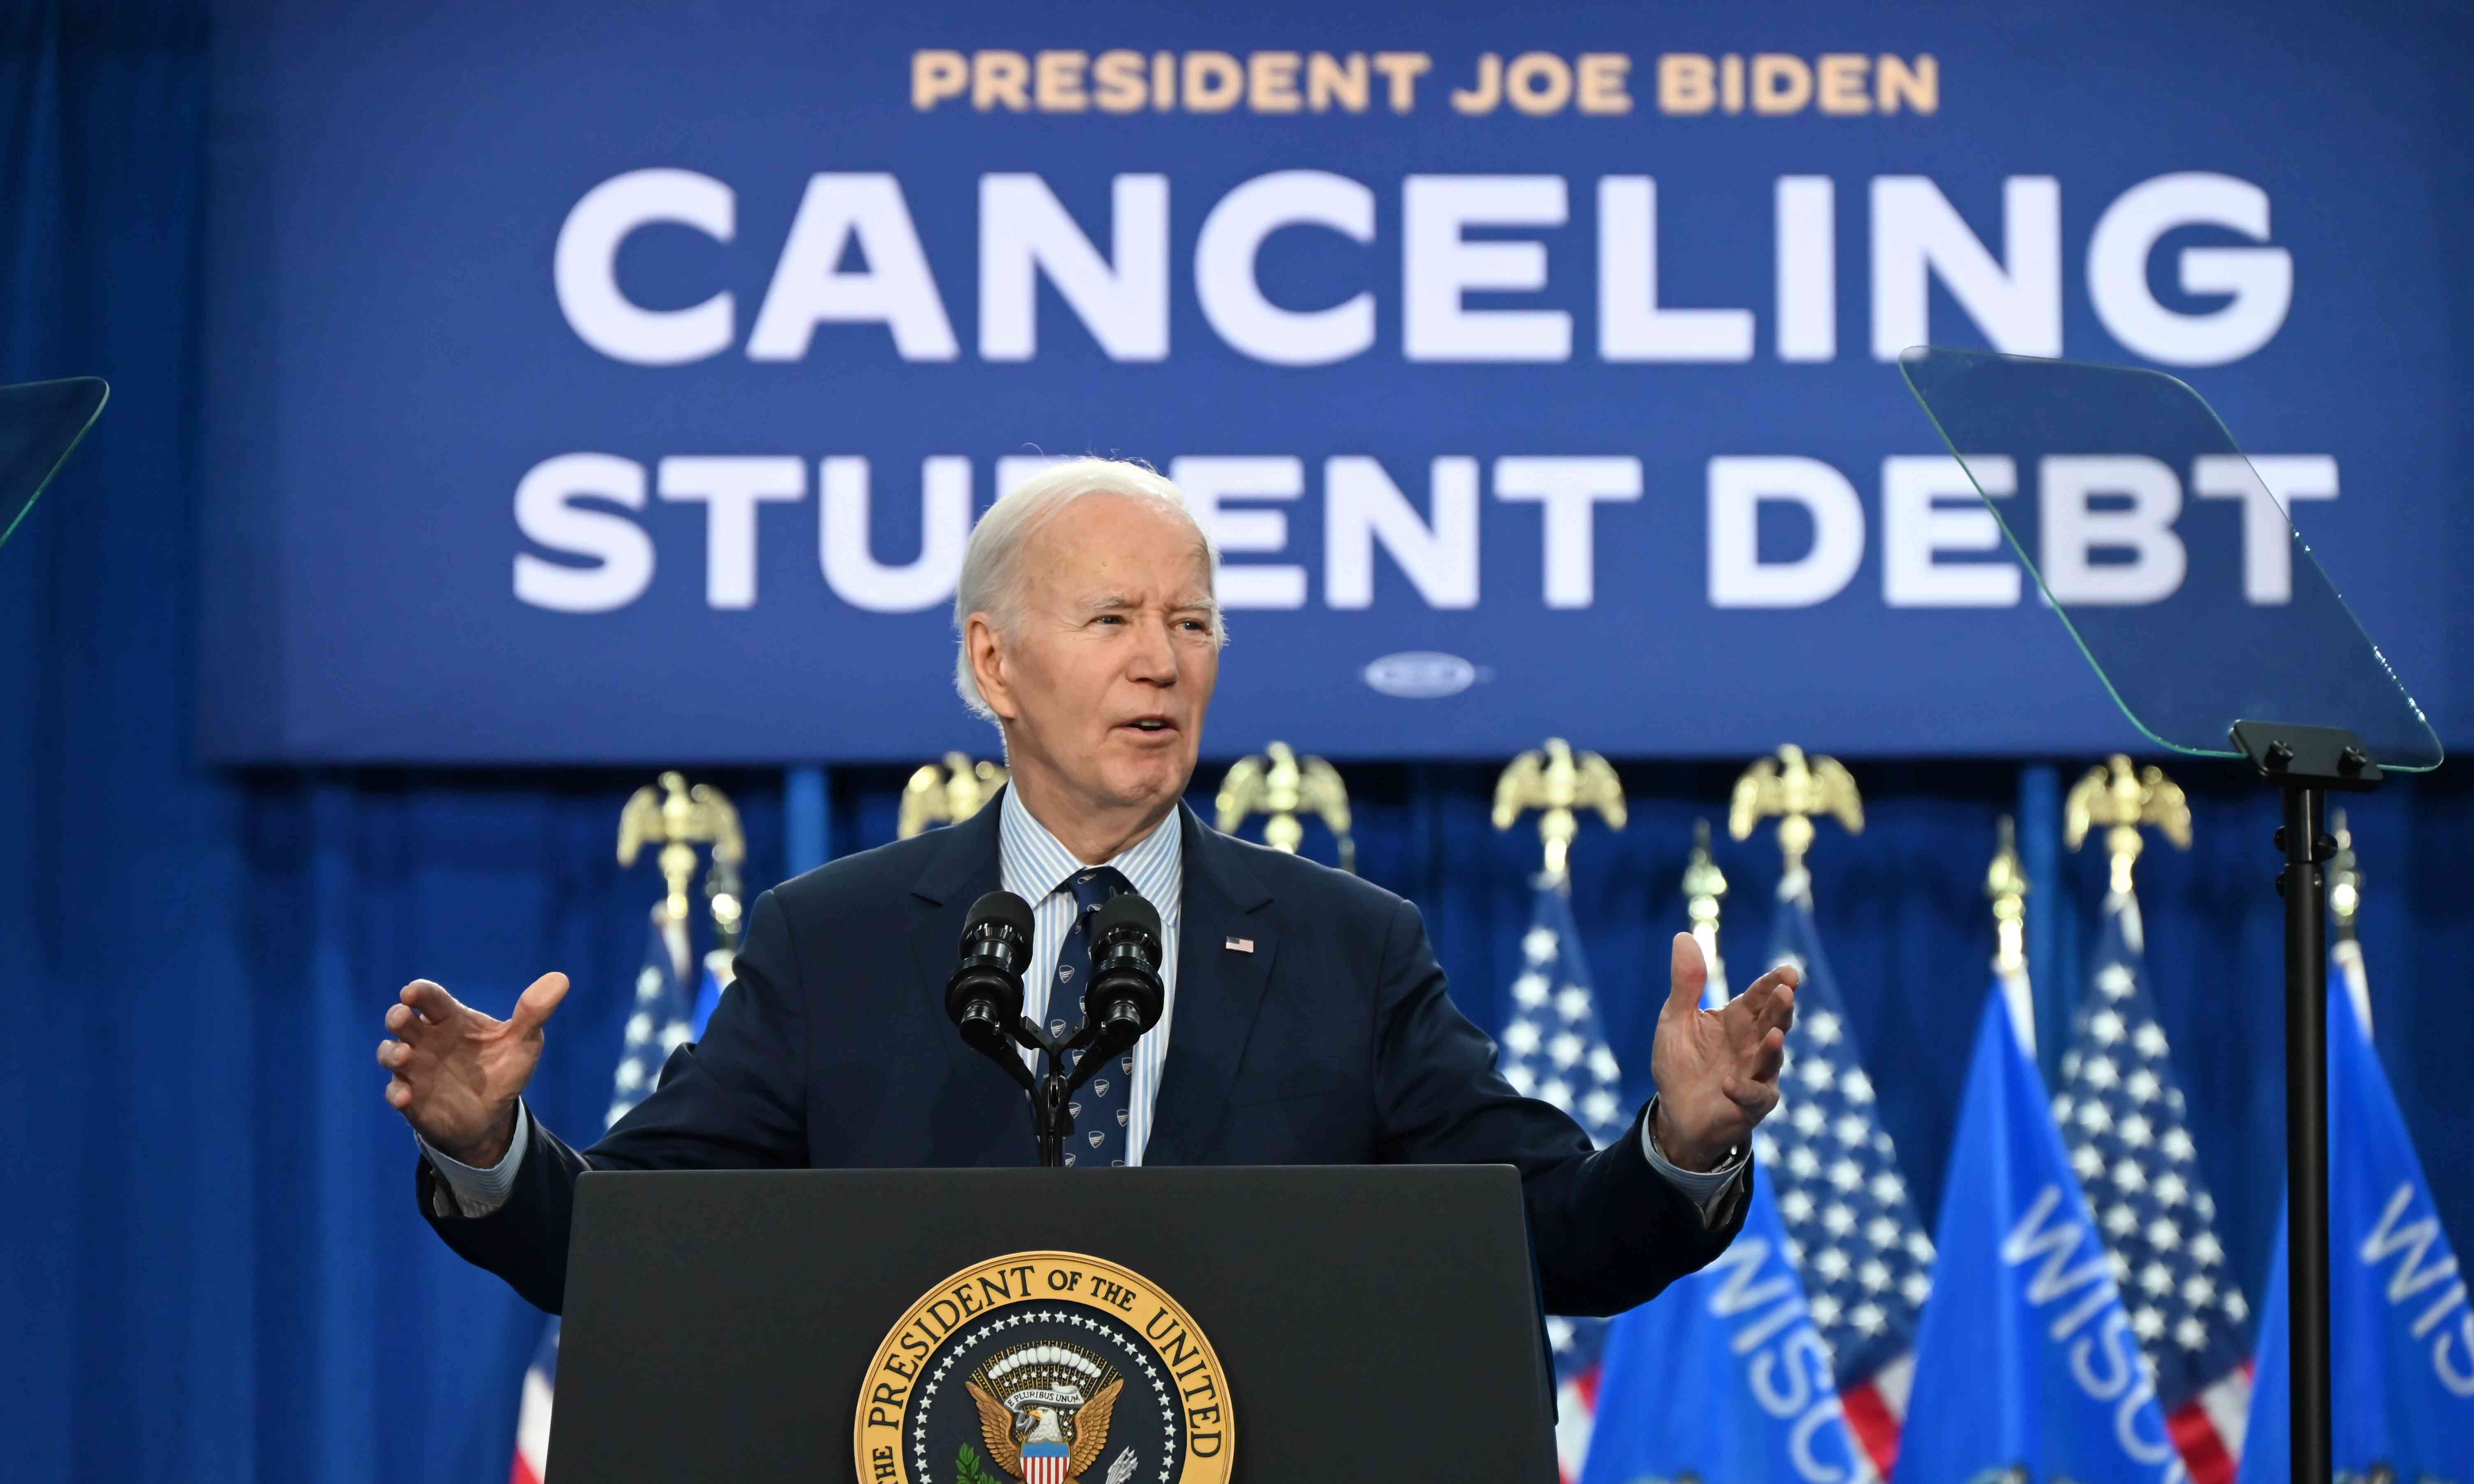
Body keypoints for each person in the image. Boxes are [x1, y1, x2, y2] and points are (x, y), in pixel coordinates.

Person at [379, 458, 1798, 1316]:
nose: (1162, 661)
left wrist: (1679, 1140)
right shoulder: (840, 945)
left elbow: (1549, 1233)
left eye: (1192, 623)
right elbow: (631, 1245)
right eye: (1113, 619)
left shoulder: (1344, 946)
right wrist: (491, 1148)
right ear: (996, 666)